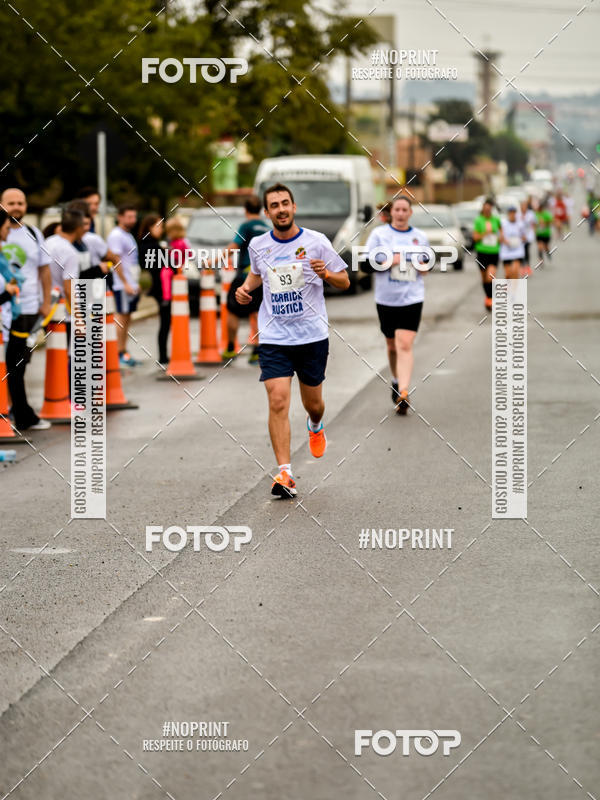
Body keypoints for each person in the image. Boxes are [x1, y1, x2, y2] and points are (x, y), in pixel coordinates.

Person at [235, 182, 350, 498]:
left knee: (313, 404)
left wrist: (326, 274)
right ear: (267, 211)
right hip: (274, 336)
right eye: (275, 205)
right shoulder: (258, 244)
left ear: (294, 207)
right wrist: (245, 290)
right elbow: (256, 275)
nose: (281, 209)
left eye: (286, 203)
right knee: (277, 400)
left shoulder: (317, 242)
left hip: (311, 335)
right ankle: (285, 473)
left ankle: (315, 425)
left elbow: (345, 279)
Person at [364, 195, 429, 415]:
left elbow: (427, 264)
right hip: (386, 299)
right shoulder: (379, 235)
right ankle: (395, 379)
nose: (401, 213)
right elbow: (365, 264)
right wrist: (386, 262)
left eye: (405, 210)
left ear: (410, 213)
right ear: (391, 212)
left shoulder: (420, 237)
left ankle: (403, 391)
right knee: (392, 345)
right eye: (397, 210)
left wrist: (422, 267)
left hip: (412, 297)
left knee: (404, 344)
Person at [1, 188, 52, 431]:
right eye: (11, 203)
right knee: (12, 364)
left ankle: (14, 409)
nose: (16, 207)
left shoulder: (33, 233)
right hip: (5, 308)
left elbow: (44, 270)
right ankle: (20, 413)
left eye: (20, 202)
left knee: (20, 363)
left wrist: (46, 302)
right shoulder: (1, 234)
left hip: (30, 308)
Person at [223, 195, 270, 362]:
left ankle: (230, 348)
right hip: (264, 277)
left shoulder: (246, 226)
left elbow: (234, 246)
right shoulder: (267, 227)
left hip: (246, 274)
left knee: (232, 310)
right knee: (258, 312)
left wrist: (213, 260)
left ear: (245, 210)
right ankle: (257, 350)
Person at [106, 205, 140, 366]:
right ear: (119, 217)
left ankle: (123, 351)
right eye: (129, 216)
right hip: (122, 284)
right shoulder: (116, 235)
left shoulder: (128, 235)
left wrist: (135, 282)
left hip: (131, 283)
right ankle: (117, 353)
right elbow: (116, 260)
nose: (132, 220)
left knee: (127, 318)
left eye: (134, 216)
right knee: (121, 318)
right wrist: (125, 283)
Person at [139, 215, 170, 365]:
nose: (162, 229)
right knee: (165, 321)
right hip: (161, 288)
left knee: (166, 321)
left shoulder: (151, 244)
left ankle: (164, 354)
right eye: (159, 226)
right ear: (150, 227)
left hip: (160, 287)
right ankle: (163, 355)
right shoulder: (150, 246)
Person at [472, 198, 501, 310]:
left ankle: (490, 298)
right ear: (483, 210)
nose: (487, 211)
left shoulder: (496, 220)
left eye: (489, 209)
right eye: (486, 209)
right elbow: (475, 237)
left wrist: (499, 237)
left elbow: (501, 234)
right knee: (484, 278)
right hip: (482, 252)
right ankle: (488, 297)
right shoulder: (478, 220)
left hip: (494, 252)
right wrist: (485, 233)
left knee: (490, 276)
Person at [499, 206, 526, 280]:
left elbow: (524, 237)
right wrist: (504, 241)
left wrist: (519, 240)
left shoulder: (520, 224)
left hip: (517, 251)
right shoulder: (503, 223)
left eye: (514, 213)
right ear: (508, 214)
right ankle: (508, 288)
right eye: (510, 213)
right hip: (506, 251)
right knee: (508, 274)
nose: (512, 214)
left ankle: (515, 289)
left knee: (515, 271)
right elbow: (500, 236)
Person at [520, 198, 537, 276]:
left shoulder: (531, 214)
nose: (523, 207)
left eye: (524, 206)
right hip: (520, 236)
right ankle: (523, 267)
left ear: (526, 206)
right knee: (521, 252)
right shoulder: (518, 214)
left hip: (528, 235)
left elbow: (534, 223)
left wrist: (533, 232)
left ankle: (527, 267)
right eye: (521, 206)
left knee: (526, 250)